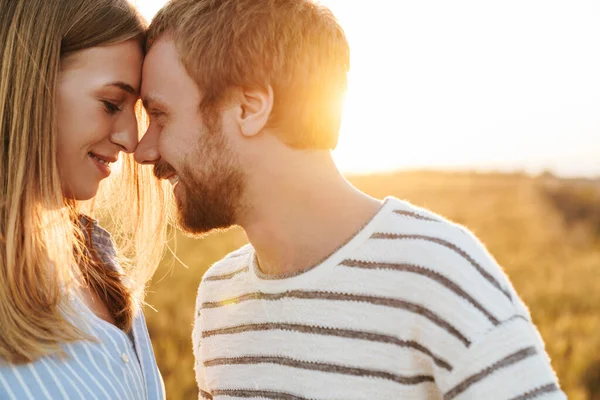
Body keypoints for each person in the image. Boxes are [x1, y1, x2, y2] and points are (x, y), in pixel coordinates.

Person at [136, 0, 566, 398]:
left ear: (249, 109)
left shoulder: (439, 273)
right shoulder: (219, 297)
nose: (144, 150)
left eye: (159, 116)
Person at [0, 0, 167, 398]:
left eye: (137, 111)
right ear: (30, 85)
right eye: (111, 104)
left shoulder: (102, 268)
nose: (131, 138)